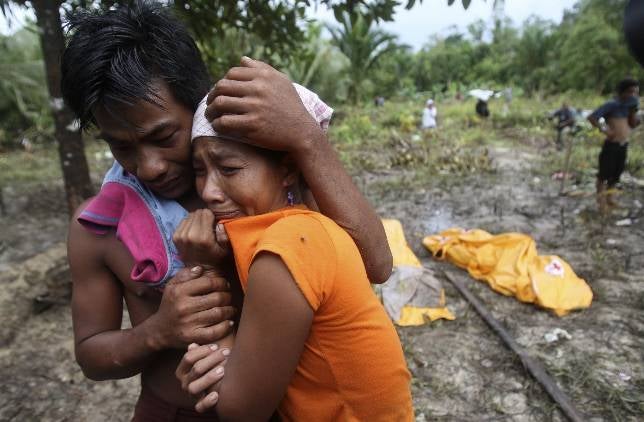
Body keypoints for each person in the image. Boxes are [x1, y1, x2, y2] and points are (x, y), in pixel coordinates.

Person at [60, 1, 392, 419]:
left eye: (164, 136)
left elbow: (376, 264)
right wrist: (157, 331)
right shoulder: (100, 226)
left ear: (200, 104)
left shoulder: (260, 187)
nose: (149, 166)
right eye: (121, 146)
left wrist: (309, 141)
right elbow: (91, 355)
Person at [172, 95, 414, 421]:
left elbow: (240, 410)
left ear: (287, 170)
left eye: (229, 168)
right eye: (200, 171)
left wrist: (207, 269)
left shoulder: (287, 246)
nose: (208, 192)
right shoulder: (302, 225)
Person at [587, 78, 640, 209]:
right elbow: (592, 117)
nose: (632, 95)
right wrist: (605, 130)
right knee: (604, 173)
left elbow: (632, 124)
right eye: (629, 92)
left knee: (616, 173)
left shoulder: (631, 105)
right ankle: (601, 201)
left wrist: (633, 113)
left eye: (635, 92)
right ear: (621, 92)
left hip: (623, 144)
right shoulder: (612, 105)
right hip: (611, 145)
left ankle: (610, 198)